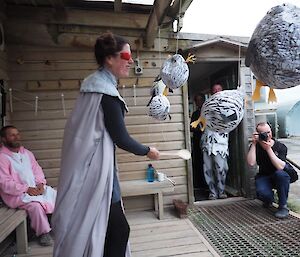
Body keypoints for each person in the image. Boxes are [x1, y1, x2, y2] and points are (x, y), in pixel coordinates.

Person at [52, 32, 160, 257]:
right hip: (95, 173)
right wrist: (148, 151)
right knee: (118, 229)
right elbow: (121, 138)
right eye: (126, 55)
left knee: (106, 228)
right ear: (109, 58)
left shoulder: (91, 88)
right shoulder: (106, 93)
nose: (131, 60)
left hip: (85, 168)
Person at [0, 125, 56, 246]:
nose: (17, 137)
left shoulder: (27, 153)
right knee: (35, 207)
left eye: (18, 134)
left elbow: (37, 170)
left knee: (55, 195)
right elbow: (4, 183)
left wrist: (41, 184)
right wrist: (26, 189)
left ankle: (60, 226)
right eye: (12, 135)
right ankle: (43, 233)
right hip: (16, 194)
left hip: (34, 189)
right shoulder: (2, 158)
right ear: (4, 139)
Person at [247, 122, 290, 218]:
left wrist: (268, 149)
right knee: (262, 194)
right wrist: (254, 143)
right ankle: (268, 199)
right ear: (258, 134)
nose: (267, 135)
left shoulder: (280, 147)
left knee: (281, 175)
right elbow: (251, 163)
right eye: (263, 133)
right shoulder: (256, 147)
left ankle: (283, 206)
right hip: (264, 176)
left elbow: (279, 167)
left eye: (268, 132)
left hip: (278, 175)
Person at [201, 83, 229, 200]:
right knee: (207, 168)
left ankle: (221, 191)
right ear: (211, 93)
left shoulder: (228, 106)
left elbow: (231, 121)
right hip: (207, 143)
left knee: (221, 168)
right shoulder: (207, 106)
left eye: (219, 89)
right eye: (214, 90)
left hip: (220, 145)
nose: (217, 92)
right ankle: (212, 192)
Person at [190, 93, 207, 196]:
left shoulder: (208, 112)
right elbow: (192, 127)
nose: (198, 102)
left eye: (200, 100)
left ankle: (207, 185)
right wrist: (198, 128)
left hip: (208, 141)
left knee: (208, 163)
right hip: (197, 140)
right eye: (197, 100)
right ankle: (200, 184)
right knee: (198, 161)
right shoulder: (195, 114)